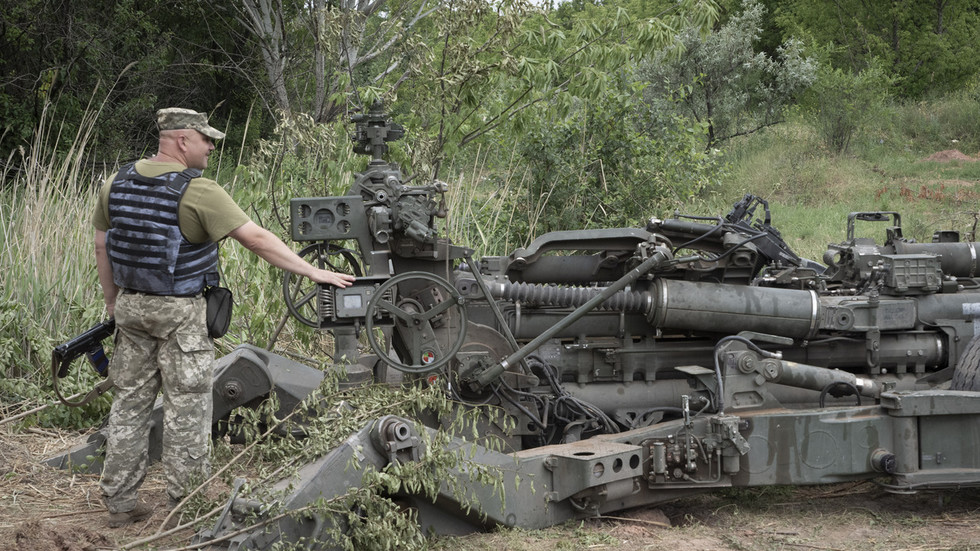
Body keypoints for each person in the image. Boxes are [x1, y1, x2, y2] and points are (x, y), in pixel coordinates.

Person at [92, 107, 356, 527]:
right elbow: (256, 238)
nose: (212, 146)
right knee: (188, 408)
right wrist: (312, 271)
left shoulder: (117, 181)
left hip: (130, 307)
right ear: (182, 140)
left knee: (129, 404)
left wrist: (111, 301)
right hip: (179, 311)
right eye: (206, 139)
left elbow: (102, 245)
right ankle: (187, 508)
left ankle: (119, 506)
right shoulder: (198, 190)